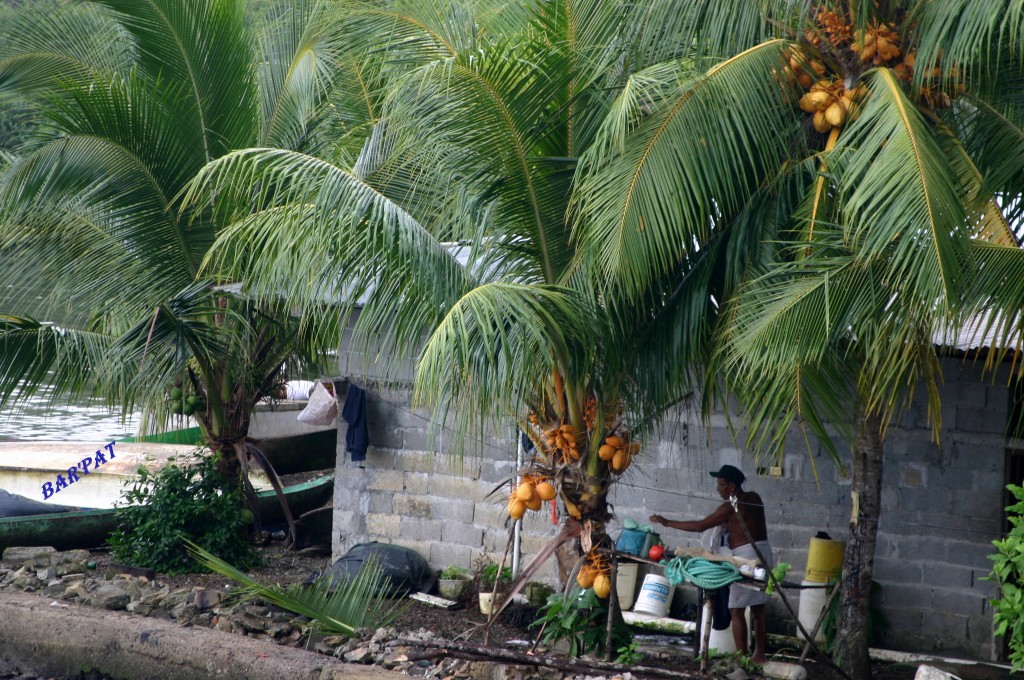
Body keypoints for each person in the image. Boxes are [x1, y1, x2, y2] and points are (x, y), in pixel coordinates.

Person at [649, 464, 773, 663]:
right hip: (765, 552)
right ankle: (759, 655)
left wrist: (667, 522)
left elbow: (700, 526)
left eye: (721, 484)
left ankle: (743, 659)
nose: (718, 488)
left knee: (736, 610)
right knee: (759, 608)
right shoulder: (755, 497)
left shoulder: (729, 507)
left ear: (732, 486)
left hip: (747, 558)